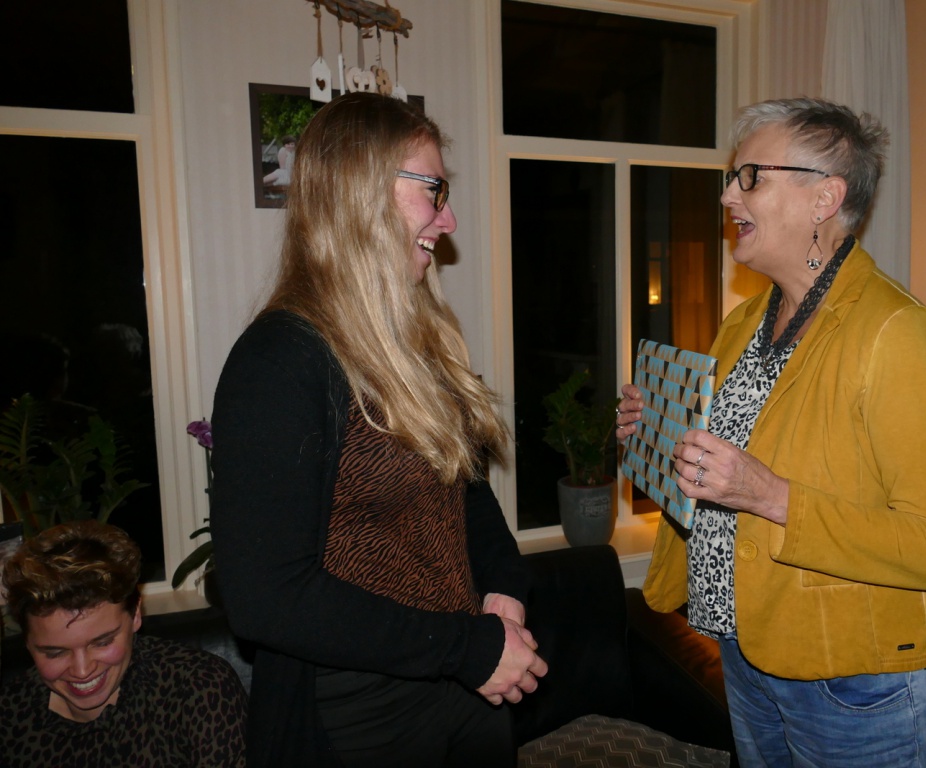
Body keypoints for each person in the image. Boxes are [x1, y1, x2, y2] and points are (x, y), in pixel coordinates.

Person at [615, 98, 926, 767]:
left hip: (851, 678)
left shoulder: (899, 336)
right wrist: (657, 435)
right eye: (731, 177)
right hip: (748, 646)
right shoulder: (744, 323)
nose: (727, 195)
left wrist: (770, 496)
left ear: (824, 198)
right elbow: (726, 470)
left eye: (750, 177)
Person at [210, 92, 546, 768]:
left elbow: (466, 495)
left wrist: (504, 586)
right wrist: (466, 649)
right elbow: (265, 596)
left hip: (460, 684)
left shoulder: (415, 348)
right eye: (432, 190)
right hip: (359, 712)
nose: (447, 219)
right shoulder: (280, 359)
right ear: (361, 193)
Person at [0, 520, 248, 767]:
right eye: (55, 653)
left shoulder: (198, 690)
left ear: (136, 614)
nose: (82, 670)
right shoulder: (9, 714)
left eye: (102, 642)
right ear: (27, 642)